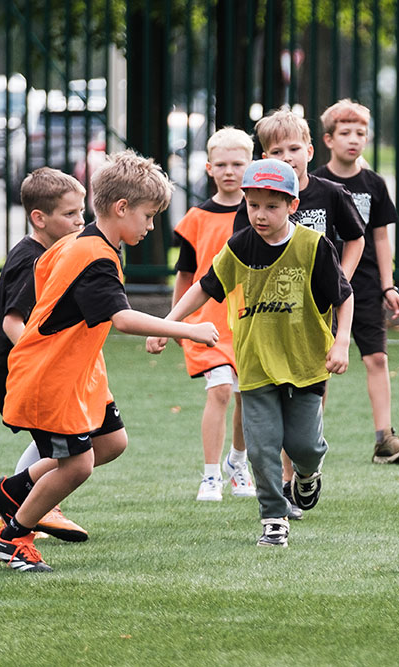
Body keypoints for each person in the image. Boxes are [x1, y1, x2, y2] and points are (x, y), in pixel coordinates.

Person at [0, 150, 220, 572]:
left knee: (111, 442)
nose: (151, 227)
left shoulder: (81, 243)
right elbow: (122, 319)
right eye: (148, 216)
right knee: (77, 466)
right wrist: (186, 329)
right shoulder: (95, 257)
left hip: (79, 375)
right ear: (121, 208)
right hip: (50, 378)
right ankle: (13, 536)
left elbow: (45, 277)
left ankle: (12, 489)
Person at [149, 158, 353, 547]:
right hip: (256, 365)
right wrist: (169, 323)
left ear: (292, 205)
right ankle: (274, 517)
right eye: (253, 204)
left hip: (306, 364)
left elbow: (344, 296)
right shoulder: (240, 246)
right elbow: (204, 286)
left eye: (272, 206)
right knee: (261, 447)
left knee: (305, 447)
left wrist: (341, 341)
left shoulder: (313, 246)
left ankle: (308, 474)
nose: (260, 214)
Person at [233, 106, 366, 518]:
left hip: (314, 313)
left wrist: (338, 283)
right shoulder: (257, 201)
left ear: (309, 150)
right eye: (276, 151)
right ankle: (287, 485)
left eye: (293, 148)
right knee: (272, 402)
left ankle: (303, 470)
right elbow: (239, 259)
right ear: (263, 157)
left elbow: (356, 237)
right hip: (272, 317)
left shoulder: (330, 194)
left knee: (305, 400)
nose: (287, 157)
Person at [0, 167, 92, 544]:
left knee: (98, 441)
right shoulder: (32, 259)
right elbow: (13, 321)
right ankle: (20, 509)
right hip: (26, 373)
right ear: (39, 218)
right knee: (69, 451)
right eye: (70, 214)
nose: (80, 220)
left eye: (81, 211)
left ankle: (18, 501)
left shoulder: (54, 252)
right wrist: (43, 361)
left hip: (44, 371)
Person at [312, 99, 399, 464]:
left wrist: (389, 286)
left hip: (367, 287)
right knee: (319, 365)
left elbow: (381, 237)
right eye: (345, 133)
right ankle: (309, 438)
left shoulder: (374, 184)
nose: (354, 139)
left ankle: (385, 439)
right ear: (328, 139)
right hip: (323, 288)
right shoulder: (316, 183)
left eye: (361, 133)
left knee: (376, 358)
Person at [171, 127, 256, 501]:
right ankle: (210, 476)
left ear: (251, 165)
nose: (229, 171)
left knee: (247, 397)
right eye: (221, 164)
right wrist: (173, 324)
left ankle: (238, 462)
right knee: (220, 389)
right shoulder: (196, 218)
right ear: (208, 168)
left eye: (237, 164)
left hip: (250, 322)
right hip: (207, 323)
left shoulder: (260, 212)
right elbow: (186, 275)